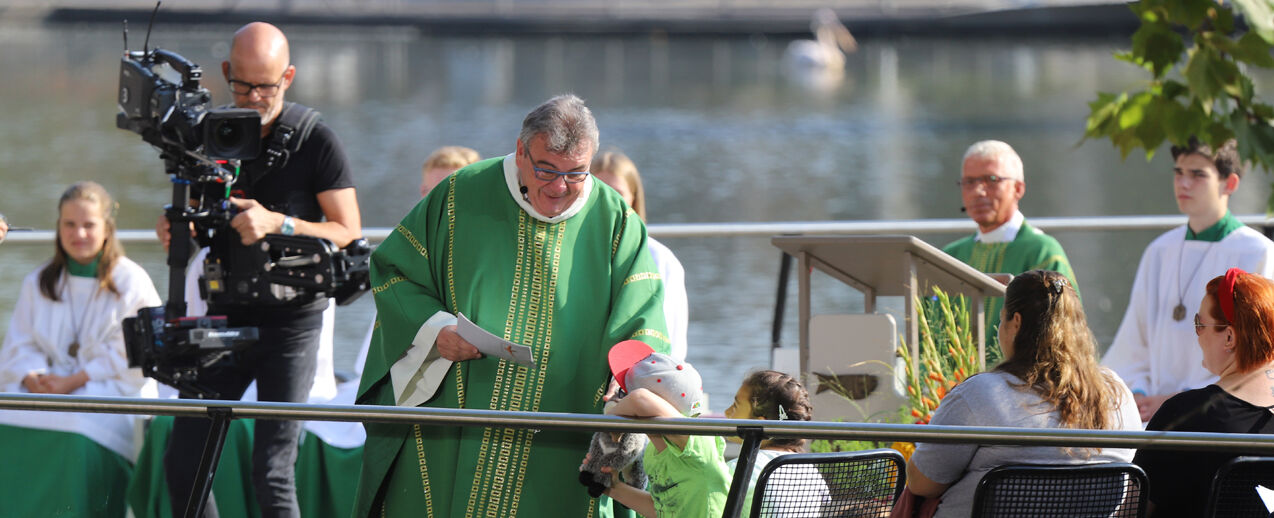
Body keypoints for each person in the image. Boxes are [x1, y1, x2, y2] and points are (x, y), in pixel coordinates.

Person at [354, 94, 669, 517]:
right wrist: (435, 330)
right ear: (521, 151)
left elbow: (643, 314)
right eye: (547, 170)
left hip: (568, 419)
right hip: (459, 411)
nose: (560, 188)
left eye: (576, 173)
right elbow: (395, 271)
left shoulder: (615, 220)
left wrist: (629, 374)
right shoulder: (458, 194)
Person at [158, 22, 361, 518]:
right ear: (226, 74)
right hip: (224, 309)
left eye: (265, 86)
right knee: (183, 462)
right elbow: (196, 222)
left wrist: (280, 222)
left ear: (288, 77)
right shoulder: (208, 135)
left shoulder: (317, 141)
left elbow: (348, 232)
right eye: (242, 85)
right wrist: (175, 230)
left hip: (292, 321)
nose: (253, 97)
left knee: (271, 470)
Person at [904, 270, 1140, 518]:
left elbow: (922, 483)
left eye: (1002, 318)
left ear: (1016, 322)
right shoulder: (1117, 394)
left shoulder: (980, 395)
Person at [0, 181, 161, 516]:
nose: (79, 234)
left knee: (74, 426)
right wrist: (32, 376)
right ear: (59, 228)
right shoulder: (42, 280)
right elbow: (20, 342)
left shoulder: (131, 280)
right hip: (47, 388)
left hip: (110, 392)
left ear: (106, 227)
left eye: (89, 225)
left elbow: (137, 355)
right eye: (69, 225)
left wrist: (73, 382)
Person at [1103, 137, 1274, 422]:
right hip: (1151, 410)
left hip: (1222, 411)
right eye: (1178, 173)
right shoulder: (1159, 250)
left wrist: (1179, 400)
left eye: (1197, 175)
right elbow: (1133, 342)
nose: (1183, 184)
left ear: (1229, 184)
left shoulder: (1259, 252)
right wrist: (1139, 393)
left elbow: (1261, 349)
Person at [1134, 268, 1274, 518]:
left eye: (1200, 323)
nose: (1196, 333)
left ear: (1229, 337)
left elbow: (1135, 509)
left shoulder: (1185, 415)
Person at [941, 140, 1078, 358]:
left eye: (991, 180)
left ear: (1018, 188)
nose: (978, 191)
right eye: (969, 182)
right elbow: (928, 337)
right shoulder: (950, 256)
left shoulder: (1042, 252)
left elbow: (1062, 338)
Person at [594, 340, 730, 518]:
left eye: (623, 395)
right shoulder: (657, 452)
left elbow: (640, 398)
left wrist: (612, 424)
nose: (621, 402)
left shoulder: (698, 444)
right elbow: (663, 509)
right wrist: (612, 487)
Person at [592, 149, 690, 361]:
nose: (608, 202)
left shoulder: (660, 260)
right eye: (600, 191)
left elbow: (672, 341)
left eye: (617, 194)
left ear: (634, 199)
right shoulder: (568, 253)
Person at [723, 370, 828, 518]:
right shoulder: (809, 470)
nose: (726, 412)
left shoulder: (739, 470)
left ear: (759, 423)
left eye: (735, 406)